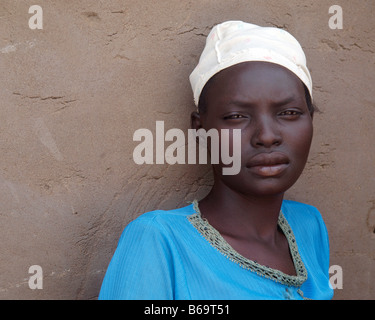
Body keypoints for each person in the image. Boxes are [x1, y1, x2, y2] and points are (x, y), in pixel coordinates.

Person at [99, 20, 334, 300]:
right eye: (236, 116)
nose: (267, 136)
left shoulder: (309, 225)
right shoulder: (160, 242)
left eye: (289, 113)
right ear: (201, 130)